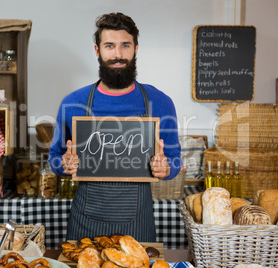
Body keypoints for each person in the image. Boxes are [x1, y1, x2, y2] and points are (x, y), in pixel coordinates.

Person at [49, 12, 181, 242]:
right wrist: (63, 163)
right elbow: (54, 157)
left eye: (125, 46)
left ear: (136, 49)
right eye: (109, 46)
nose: (118, 55)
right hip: (85, 221)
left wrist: (166, 168)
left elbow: (175, 159)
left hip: (138, 223)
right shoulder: (73, 103)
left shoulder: (160, 102)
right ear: (97, 50)